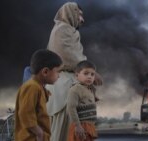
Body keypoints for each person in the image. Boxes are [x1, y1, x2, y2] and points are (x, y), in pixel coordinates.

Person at [46, 2, 102, 141]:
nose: (82, 20)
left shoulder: (67, 30)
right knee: (64, 130)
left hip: (66, 80)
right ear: (71, 13)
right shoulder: (63, 30)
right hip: (64, 83)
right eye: (79, 15)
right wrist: (90, 71)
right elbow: (67, 56)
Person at [14, 49, 62, 141]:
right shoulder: (32, 87)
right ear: (45, 72)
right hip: (32, 138)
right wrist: (39, 132)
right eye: (57, 71)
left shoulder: (38, 87)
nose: (59, 76)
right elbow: (25, 113)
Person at [67, 60, 98, 141]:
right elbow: (71, 108)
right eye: (86, 73)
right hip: (81, 126)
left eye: (92, 74)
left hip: (89, 126)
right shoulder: (75, 89)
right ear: (77, 75)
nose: (89, 76)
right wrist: (78, 126)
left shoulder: (89, 89)